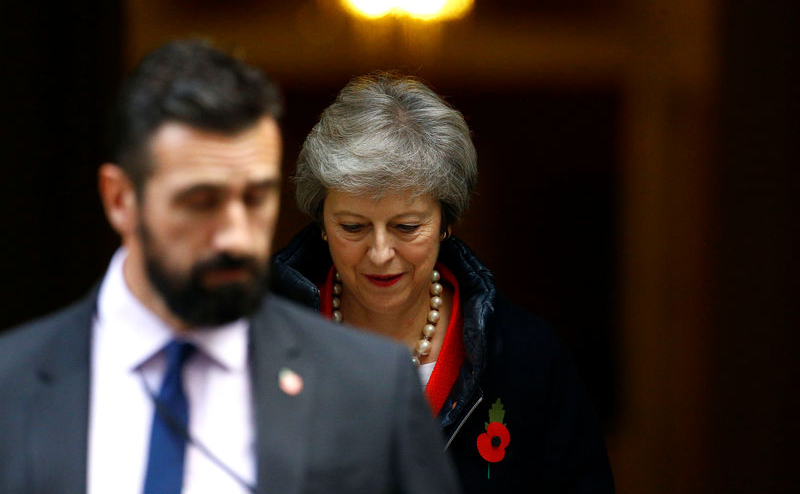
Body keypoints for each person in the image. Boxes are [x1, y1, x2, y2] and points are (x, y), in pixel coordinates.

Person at [0, 41, 461, 494]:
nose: (237, 236)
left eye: (256, 198)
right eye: (201, 202)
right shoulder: (12, 386)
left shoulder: (371, 386)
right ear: (120, 200)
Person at [271, 72, 615, 493]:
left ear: (445, 223)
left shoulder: (526, 359)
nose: (380, 253)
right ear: (322, 224)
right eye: (353, 227)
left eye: (406, 226)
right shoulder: (253, 340)